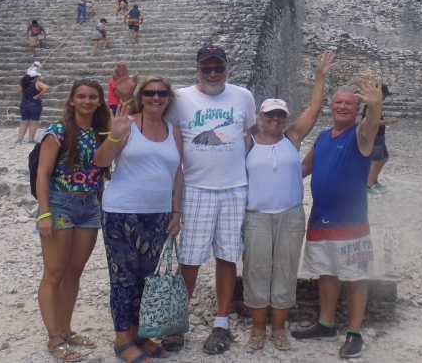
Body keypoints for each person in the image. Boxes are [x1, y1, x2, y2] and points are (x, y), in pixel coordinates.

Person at [164, 46, 258, 355]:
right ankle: (177, 320)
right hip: (196, 189)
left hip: (234, 188)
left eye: (218, 68)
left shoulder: (243, 96)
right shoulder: (180, 99)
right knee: (190, 258)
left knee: (228, 256)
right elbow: (162, 130)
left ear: (227, 69)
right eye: (207, 69)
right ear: (197, 70)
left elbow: (251, 134)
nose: (213, 74)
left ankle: (221, 324)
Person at [243, 51, 336, 352]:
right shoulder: (249, 140)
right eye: (269, 114)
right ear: (261, 116)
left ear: (285, 118)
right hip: (256, 215)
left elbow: (314, 107)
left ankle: (279, 327)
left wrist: (320, 75)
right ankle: (258, 327)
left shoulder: (292, 137)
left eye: (279, 115)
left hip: (290, 215)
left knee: (285, 269)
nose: (274, 119)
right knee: (256, 269)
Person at [291, 77, 384, 359]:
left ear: (356, 110)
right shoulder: (321, 137)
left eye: (349, 103)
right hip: (320, 219)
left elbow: (371, 125)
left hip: (350, 222)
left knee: (355, 277)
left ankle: (354, 333)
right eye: (338, 102)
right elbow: (303, 167)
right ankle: (326, 323)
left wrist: (375, 106)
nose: (343, 106)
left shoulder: (361, 134)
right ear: (331, 107)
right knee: (327, 273)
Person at [94, 77, 184, 363]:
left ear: (169, 99)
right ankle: (122, 339)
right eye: (149, 93)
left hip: (157, 215)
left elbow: (177, 173)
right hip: (122, 211)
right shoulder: (127, 124)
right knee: (123, 278)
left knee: (145, 277)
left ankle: (137, 332)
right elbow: (100, 161)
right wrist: (114, 135)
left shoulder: (174, 131)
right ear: (140, 97)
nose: (155, 97)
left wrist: (176, 212)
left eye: (162, 93)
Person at [35, 79, 111, 362]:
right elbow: (43, 173)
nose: (87, 101)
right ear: (71, 100)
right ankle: (54, 337)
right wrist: (44, 213)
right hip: (59, 204)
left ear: (100, 101)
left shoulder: (102, 131)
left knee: (74, 272)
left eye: (93, 97)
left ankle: (66, 328)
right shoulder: (58, 130)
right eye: (81, 96)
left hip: (89, 206)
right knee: (54, 273)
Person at [363, 85, 398, 194]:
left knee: (384, 158)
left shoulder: (375, 105)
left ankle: (374, 180)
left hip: (379, 136)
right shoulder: (370, 106)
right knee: (374, 161)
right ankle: (369, 185)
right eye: (384, 94)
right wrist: (388, 122)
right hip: (374, 137)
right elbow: (371, 122)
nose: (385, 97)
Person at [16, 71, 49, 144]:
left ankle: (19, 139)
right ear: (36, 77)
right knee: (33, 122)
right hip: (34, 103)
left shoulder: (24, 84)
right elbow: (46, 88)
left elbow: (18, 92)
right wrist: (39, 95)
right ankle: (31, 140)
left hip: (24, 103)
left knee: (24, 122)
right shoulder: (37, 83)